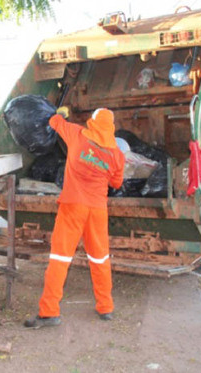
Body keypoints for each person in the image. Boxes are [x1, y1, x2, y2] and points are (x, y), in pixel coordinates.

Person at [24, 107, 125, 329]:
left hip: (73, 206)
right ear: (110, 128)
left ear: (93, 122)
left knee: (60, 259)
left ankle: (49, 312)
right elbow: (117, 183)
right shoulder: (117, 155)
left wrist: (60, 113)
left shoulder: (77, 135)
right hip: (97, 210)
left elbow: (55, 122)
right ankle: (105, 307)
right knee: (100, 259)